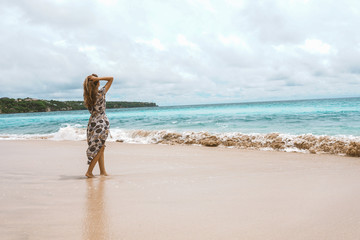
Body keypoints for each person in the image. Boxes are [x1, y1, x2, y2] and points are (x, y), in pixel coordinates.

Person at [83, 74, 113, 178]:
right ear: (97, 82)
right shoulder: (100, 93)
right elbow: (111, 78)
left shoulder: (87, 96)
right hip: (101, 122)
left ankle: (103, 171)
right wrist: (98, 78)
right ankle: (89, 172)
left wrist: (93, 80)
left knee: (101, 146)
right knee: (100, 148)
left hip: (92, 122)